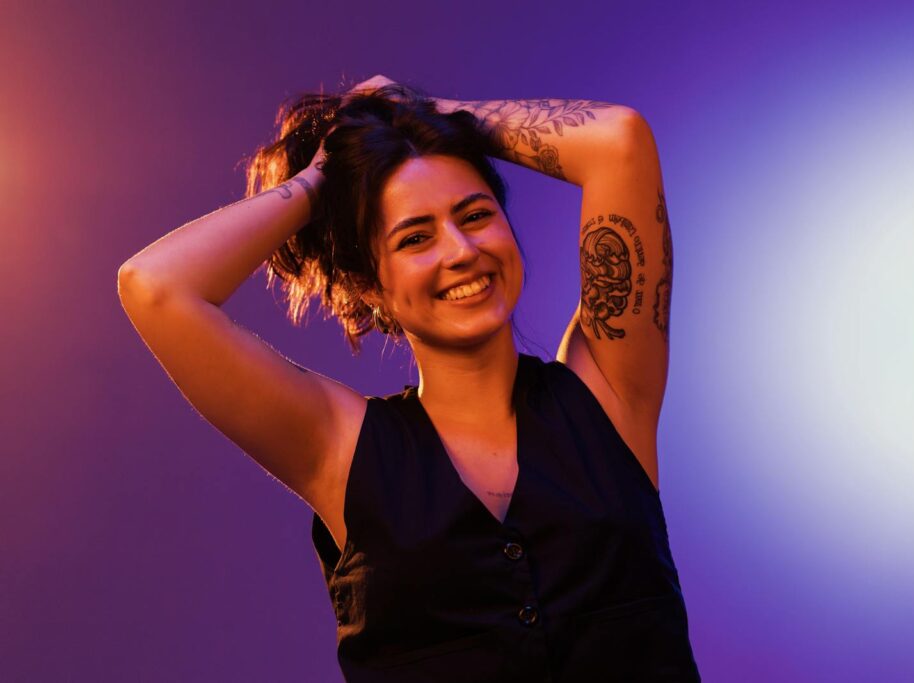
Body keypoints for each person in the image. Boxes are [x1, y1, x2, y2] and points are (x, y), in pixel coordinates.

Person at [117, 74, 700, 681]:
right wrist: (325, 178)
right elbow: (156, 287)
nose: (460, 251)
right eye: (415, 237)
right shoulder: (339, 448)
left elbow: (619, 141)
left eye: (475, 216)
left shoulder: (607, 391)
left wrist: (425, 113)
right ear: (371, 286)